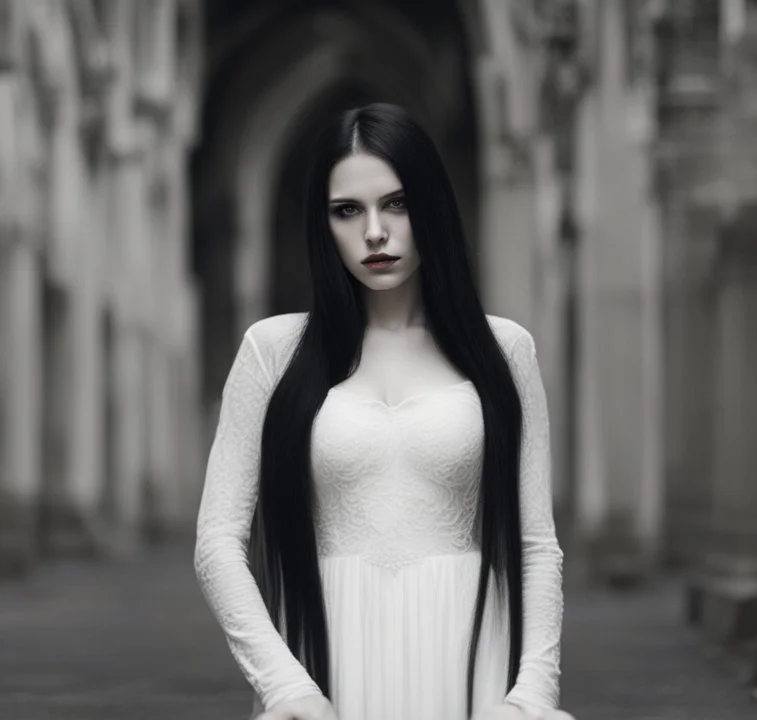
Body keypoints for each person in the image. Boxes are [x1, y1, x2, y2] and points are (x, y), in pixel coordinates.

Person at [192, 102, 574, 720]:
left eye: (396, 203)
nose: (374, 231)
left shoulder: (505, 351)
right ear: (325, 225)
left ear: (433, 207)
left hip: (472, 653)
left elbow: (536, 546)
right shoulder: (273, 351)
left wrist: (533, 692)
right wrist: (281, 682)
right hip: (325, 656)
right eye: (348, 210)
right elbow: (217, 540)